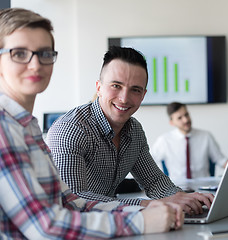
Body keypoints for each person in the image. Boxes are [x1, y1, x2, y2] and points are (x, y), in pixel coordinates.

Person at [0, 8, 184, 239]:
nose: (36, 65)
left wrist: (143, 209)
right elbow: (45, 227)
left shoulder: (27, 127)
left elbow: (72, 202)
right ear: (99, 87)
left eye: (45, 54)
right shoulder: (4, 129)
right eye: (19, 53)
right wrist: (140, 220)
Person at [46, 46, 213, 214]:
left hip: (109, 224)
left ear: (143, 95)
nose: (124, 98)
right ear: (99, 87)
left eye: (135, 89)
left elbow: (154, 182)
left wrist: (185, 198)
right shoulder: (71, 129)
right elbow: (74, 200)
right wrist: (146, 205)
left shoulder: (134, 131)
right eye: (116, 85)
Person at [151, 102, 227, 183]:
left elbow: (221, 160)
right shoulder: (164, 140)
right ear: (172, 122)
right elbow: (148, 164)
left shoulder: (206, 136)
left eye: (186, 114)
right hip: (177, 188)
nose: (186, 120)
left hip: (203, 187)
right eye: (179, 118)